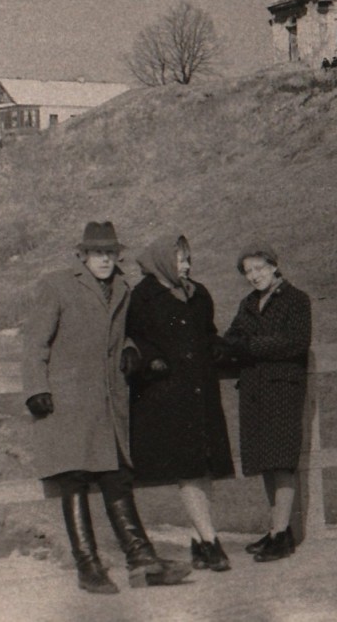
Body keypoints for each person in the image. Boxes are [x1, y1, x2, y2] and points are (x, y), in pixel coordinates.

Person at [22, 221, 190, 593]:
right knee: (74, 479)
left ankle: (143, 561)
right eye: (97, 253)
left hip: (107, 403)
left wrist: (130, 350)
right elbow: (35, 342)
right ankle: (89, 567)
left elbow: (123, 334)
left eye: (110, 253)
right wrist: (36, 387)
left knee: (117, 477)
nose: (104, 260)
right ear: (83, 255)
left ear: (118, 256)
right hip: (67, 403)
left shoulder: (122, 289)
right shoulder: (57, 285)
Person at [125, 234, 235, 572]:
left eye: (188, 259)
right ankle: (211, 541)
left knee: (203, 469)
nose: (187, 265)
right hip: (167, 396)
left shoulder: (198, 293)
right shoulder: (143, 297)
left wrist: (216, 344)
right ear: (162, 261)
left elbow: (208, 331)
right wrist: (152, 359)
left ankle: (201, 542)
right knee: (188, 470)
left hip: (201, 392)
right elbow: (133, 340)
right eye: (180, 260)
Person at [220, 243, 312, 563]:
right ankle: (278, 530)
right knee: (265, 461)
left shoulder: (296, 300)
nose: (255, 276)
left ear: (274, 266)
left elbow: (294, 343)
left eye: (260, 268)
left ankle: (281, 535)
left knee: (281, 461)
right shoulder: (248, 304)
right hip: (255, 391)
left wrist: (248, 346)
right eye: (248, 271)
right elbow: (231, 338)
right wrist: (235, 346)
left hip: (282, 389)